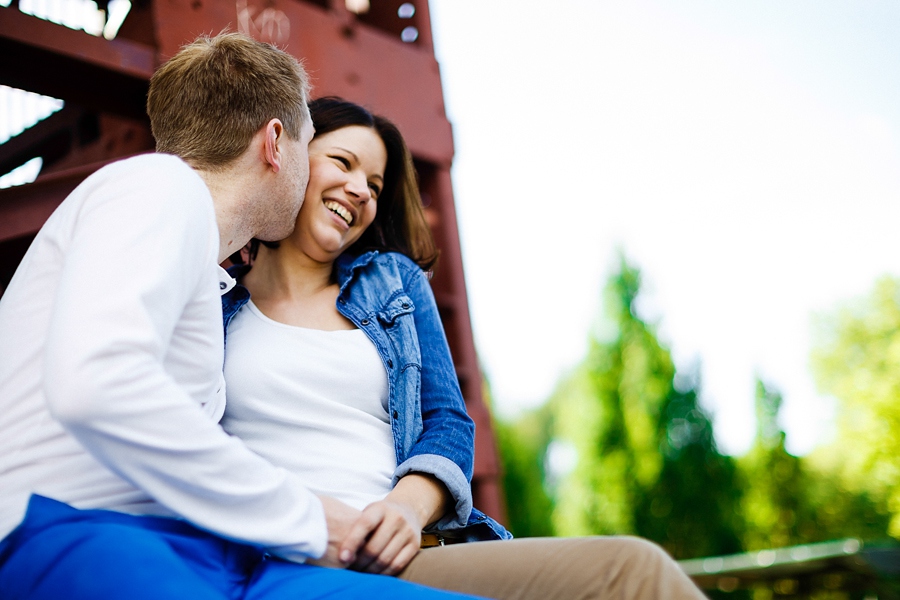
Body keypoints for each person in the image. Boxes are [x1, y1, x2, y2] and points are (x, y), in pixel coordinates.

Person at [0, 35, 482, 600]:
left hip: (179, 548)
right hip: (76, 533)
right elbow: (96, 383)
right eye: (316, 150)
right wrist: (311, 519)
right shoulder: (162, 186)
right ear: (277, 145)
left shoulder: (200, 268)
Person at [220, 96, 709, 600]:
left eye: (375, 185)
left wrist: (405, 510)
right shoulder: (211, 296)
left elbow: (448, 422)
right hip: (273, 564)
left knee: (633, 574)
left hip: (402, 560)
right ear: (294, 155)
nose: (360, 190)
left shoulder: (394, 283)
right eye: (343, 162)